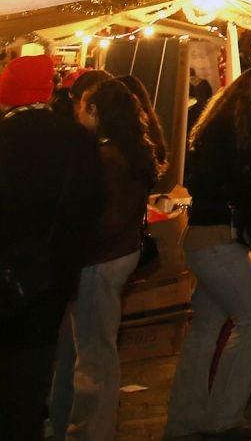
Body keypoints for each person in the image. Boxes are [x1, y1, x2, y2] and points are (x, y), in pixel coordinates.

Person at [165, 67, 251, 441]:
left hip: (210, 239)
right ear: (248, 94)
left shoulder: (228, 131)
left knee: (206, 326)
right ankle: (223, 418)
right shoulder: (227, 135)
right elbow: (217, 186)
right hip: (217, 239)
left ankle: (186, 420)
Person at [0, 56, 105, 441]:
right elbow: (91, 206)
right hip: (51, 272)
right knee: (34, 367)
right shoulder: (79, 139)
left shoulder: (5, 136)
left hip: (5, 266)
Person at [48, 79, 158, 441]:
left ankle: (89, 432)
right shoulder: (131, 150)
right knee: (89, 348)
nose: (77, 113)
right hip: (118, 255)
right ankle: (75, 425)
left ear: (95, 112)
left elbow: (103, 219)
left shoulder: (106, 158)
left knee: (95, 355)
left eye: (82, 106)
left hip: (100, 260)